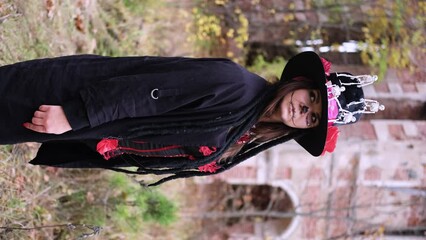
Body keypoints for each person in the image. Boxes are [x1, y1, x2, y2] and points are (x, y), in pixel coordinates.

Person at [0, 52, 383, 185]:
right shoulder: (235, 85)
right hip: (69, 98)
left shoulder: (243, 130)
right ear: (299, 82)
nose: (304, 110)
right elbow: (149, 93)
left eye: (313, 117)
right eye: (311, 98)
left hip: (83, 123)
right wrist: (74, 114)